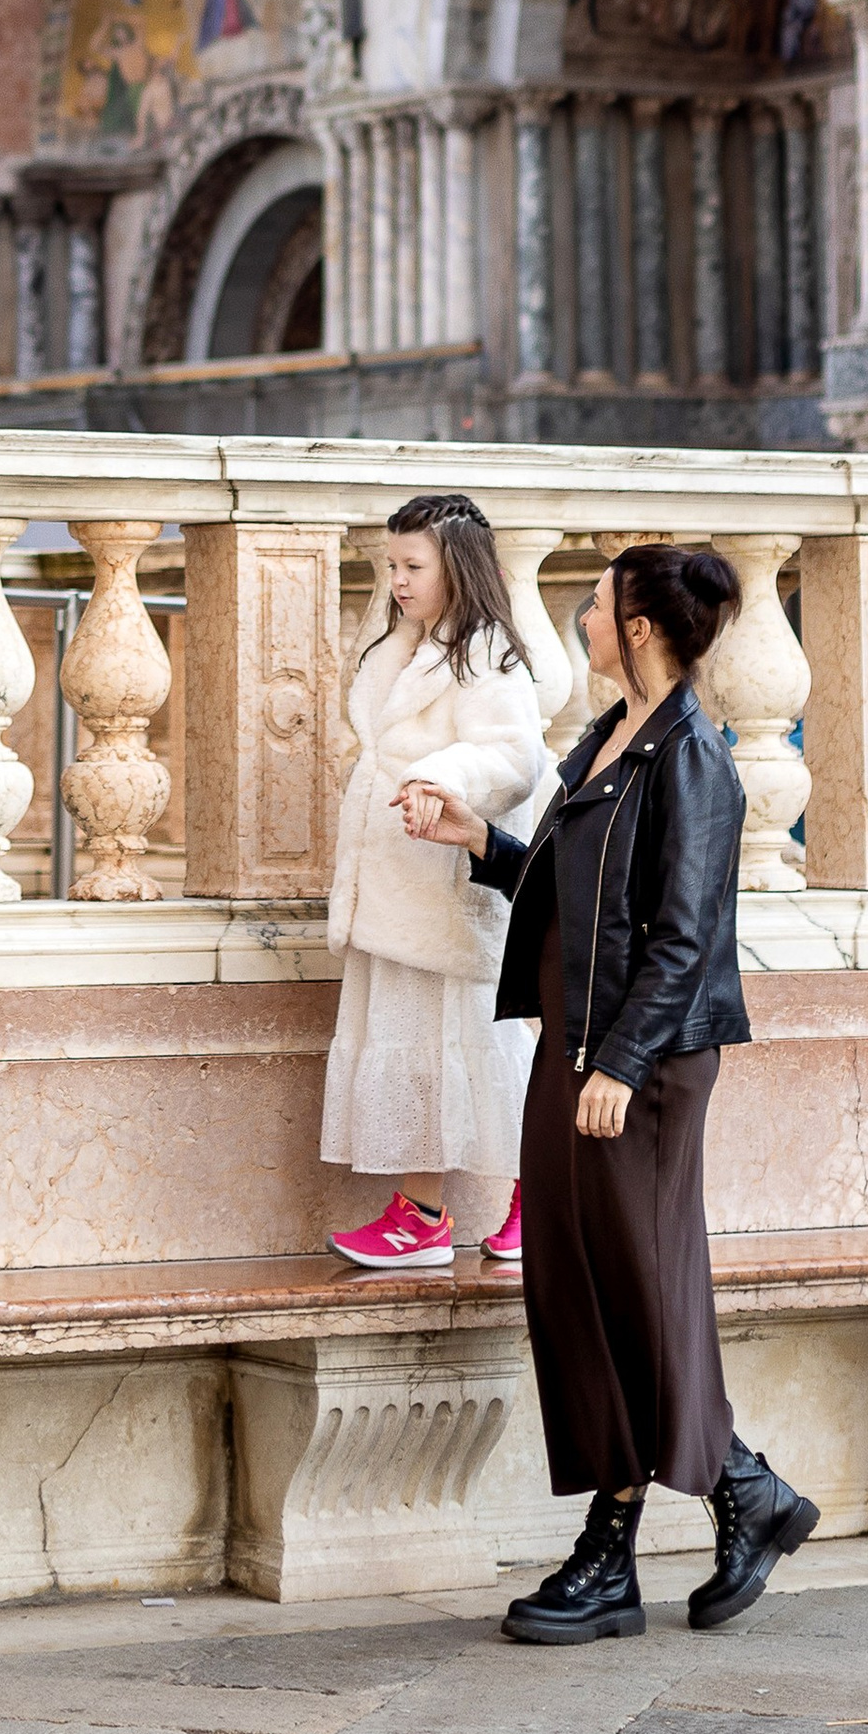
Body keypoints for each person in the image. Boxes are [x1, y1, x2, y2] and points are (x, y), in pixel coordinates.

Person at [401, 542, 817, 1644]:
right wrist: (483, 844)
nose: (580, 620)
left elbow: (686, 938)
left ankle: (691, 1510)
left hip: (640, 1063)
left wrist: (622, 1064)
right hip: (575, 1049)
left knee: (637, 1286)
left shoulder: (692, 759)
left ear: (636, 625)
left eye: (592, 605)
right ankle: (675, 1524)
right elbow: (575, 885)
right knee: (578, 1289)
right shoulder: (608, 738)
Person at [321, 493, 547, 1270]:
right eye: (392, 565)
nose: (398, 581)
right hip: (396, 884)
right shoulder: (399, 646)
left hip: (452, 887)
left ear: (458, 566)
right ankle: (420, 1213)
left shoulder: (486, 653)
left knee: (483, 1045)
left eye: (413, 566)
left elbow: (515, 757)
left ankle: (540, 1197)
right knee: (413, 1045)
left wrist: (435, 774)